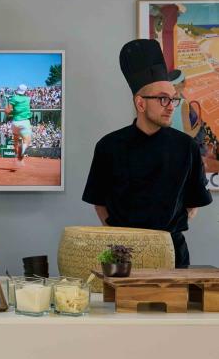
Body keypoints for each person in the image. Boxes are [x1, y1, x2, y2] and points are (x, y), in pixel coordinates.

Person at [82, 39, 212, 268]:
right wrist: (121, 237)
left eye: (173, 98)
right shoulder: (109, 146)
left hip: (173, 256)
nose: (171, 105)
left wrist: (161, 239)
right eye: (163, 99)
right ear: (140, 103)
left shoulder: (186, 146)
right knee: (124, 305)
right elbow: (99, 202)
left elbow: (194, 203)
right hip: (123, 257)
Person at [4, 84, 33, 165]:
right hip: (25, 122)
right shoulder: (28, 99)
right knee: (27, 141)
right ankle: (22, 151)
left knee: (16, 140)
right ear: (25, 91)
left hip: (15, 123)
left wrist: (6, 109)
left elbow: (7, 111)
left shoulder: (14, 98)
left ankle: (17, 157)